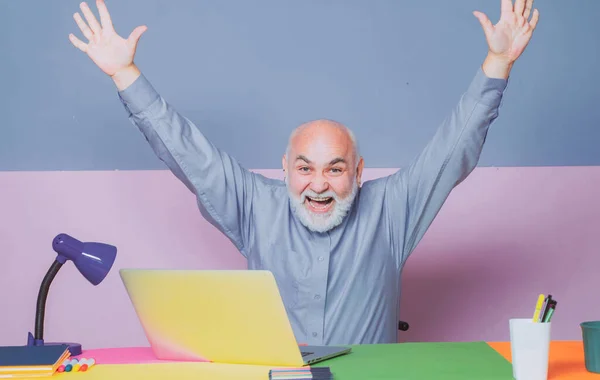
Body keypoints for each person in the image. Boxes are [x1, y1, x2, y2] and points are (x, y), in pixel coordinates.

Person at [68, 0, 539, 345]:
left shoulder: (392, 210)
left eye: (335, 169)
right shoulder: (254, 204)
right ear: (285, 170)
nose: (319, 184)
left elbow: (450, 151)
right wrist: (125, 73)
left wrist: (498, 64)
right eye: (304, 168)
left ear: (358, 172)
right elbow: (187, 153)